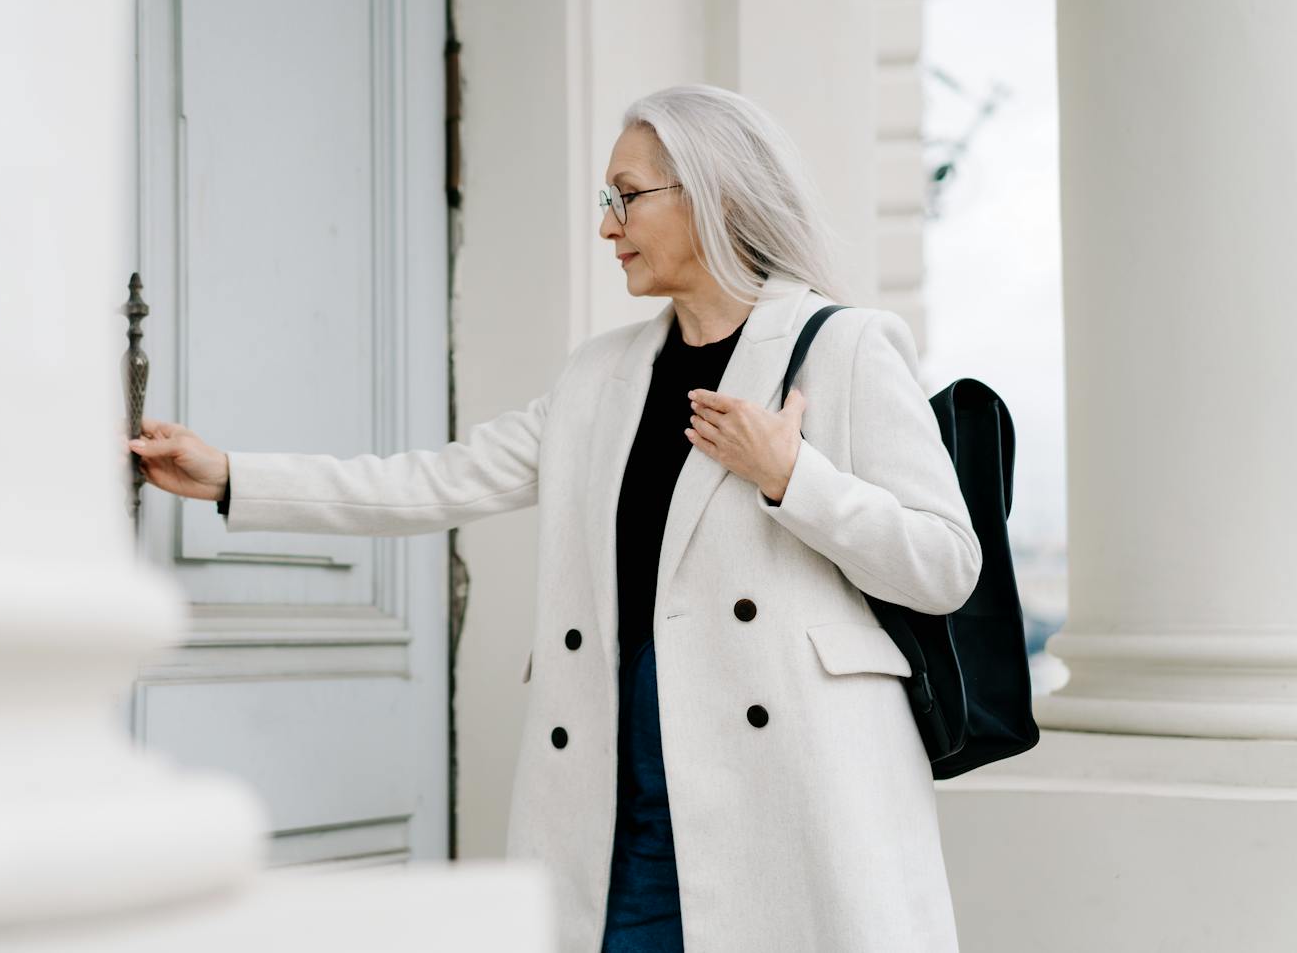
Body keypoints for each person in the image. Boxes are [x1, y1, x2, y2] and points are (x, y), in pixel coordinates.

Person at [129, 84, 982, 953]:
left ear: (713, 195)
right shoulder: (600, 375)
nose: (608, 225)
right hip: (620, 795)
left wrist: (792, 476)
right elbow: (436, 481)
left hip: (787, 800)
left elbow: (945, 562)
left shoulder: (844, 347)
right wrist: (231, 476)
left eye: (628, 196)